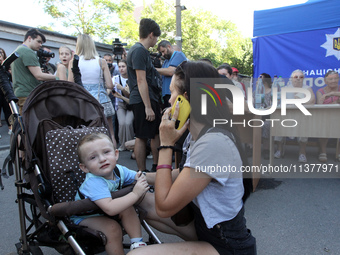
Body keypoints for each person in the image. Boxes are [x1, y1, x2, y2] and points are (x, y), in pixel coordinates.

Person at [129, 61, 256, 255]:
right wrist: (134, 176)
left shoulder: (213, 142)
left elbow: (164, 207)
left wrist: (166, 145)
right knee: (141, 201)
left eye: (172, 93)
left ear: (186, 99)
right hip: (207, 228)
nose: (169, 101)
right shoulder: (197, 130)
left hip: (227, 245)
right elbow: (185, 172)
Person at [72, 133, 149, 254]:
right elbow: (110, 208)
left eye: (106, 152)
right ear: (85, 168)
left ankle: (137, 244)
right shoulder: (93, 182)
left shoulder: (118, 170)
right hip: (86, 216)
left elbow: (138, 176)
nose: (102, 159)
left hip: (104, 210)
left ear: (116, 154)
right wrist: (135, 193)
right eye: (93, 157)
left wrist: (144, 178)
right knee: (112, 228)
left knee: (127, 207)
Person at [68, 34, 116, 147]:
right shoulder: (101, 61)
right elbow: (110, 84)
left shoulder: (74, 62)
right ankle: (113, 158)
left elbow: (70, 84)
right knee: (109, 133)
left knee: (86, 134)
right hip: (101, 100)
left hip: (82, 101)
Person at [126, 18, 161, 172]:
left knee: (155, 133)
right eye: (157, 37)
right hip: (142, 100)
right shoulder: (139, 50)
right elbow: (140, 80)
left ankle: (155, 166)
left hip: (149, 97)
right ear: (151, 35)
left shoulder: (141, 51)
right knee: (141, 136)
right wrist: (147, 107)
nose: (157, 40)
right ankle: (141, 172)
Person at [274, 69, 315, 163]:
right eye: (296, 77)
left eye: (301, 77)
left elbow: (312, 101)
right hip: (287, 116)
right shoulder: (285, 88)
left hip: (302, 116)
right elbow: (281, 102)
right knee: (278, 122)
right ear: (291, 79)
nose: (298, 79)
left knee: (304, 126)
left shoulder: (307, 88)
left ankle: (302, 153)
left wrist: (296, 100)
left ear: (303, 79)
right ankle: (279, 150)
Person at [11, 28, 56, 114]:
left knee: (25, 123)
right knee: (31, 125)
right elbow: (39, 75)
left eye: (41, 43)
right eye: (38, 41)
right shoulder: (27, 51)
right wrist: (58, 77)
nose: (40, 45)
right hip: (28, 95)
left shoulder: (18, 50)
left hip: (22, 94)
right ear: (29, 38)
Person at [316, 70, 340, 162]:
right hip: (326, 116)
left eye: (336, 78)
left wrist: (331, 94)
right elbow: (320, 105)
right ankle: (323, 151)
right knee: (324, 125)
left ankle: (338, 152)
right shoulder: (320, 91)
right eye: (331, 79)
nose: (333, 81)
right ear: (325, 81)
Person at [156, 40, 187, 108]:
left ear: (169, 47)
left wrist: (153, 69)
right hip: (166, 94)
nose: (163, 54)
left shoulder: (178, 55)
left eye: (163, 51)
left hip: (175, 94)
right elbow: (161, 74)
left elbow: (171, 71)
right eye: (161, 52)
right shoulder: (166, 61)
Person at [112, 59, 134, 151]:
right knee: (121, 123)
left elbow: (131, 95)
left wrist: (122, 89)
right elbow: (109, 88)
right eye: (119, 66)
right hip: (120, 104)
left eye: (123, 66)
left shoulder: (133, 78)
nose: (121, 69)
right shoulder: (115, 78)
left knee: (128, 123)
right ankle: (122, 145)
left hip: (131, 104)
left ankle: (130, 144)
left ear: (127, 67)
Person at [253, 73, 272, 160]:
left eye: (260, 80)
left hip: (269, 115)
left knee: (266, 125)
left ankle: (266, 150)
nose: (257, 82)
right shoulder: (255, 93)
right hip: (256, 115)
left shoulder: (272, 92)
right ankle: (250, 148)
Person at [0, 47, 12, 134]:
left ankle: (10, 128)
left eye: (1, 53)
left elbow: (11, 78)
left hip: (6, 92)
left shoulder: (6, 66)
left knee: (8, 110)